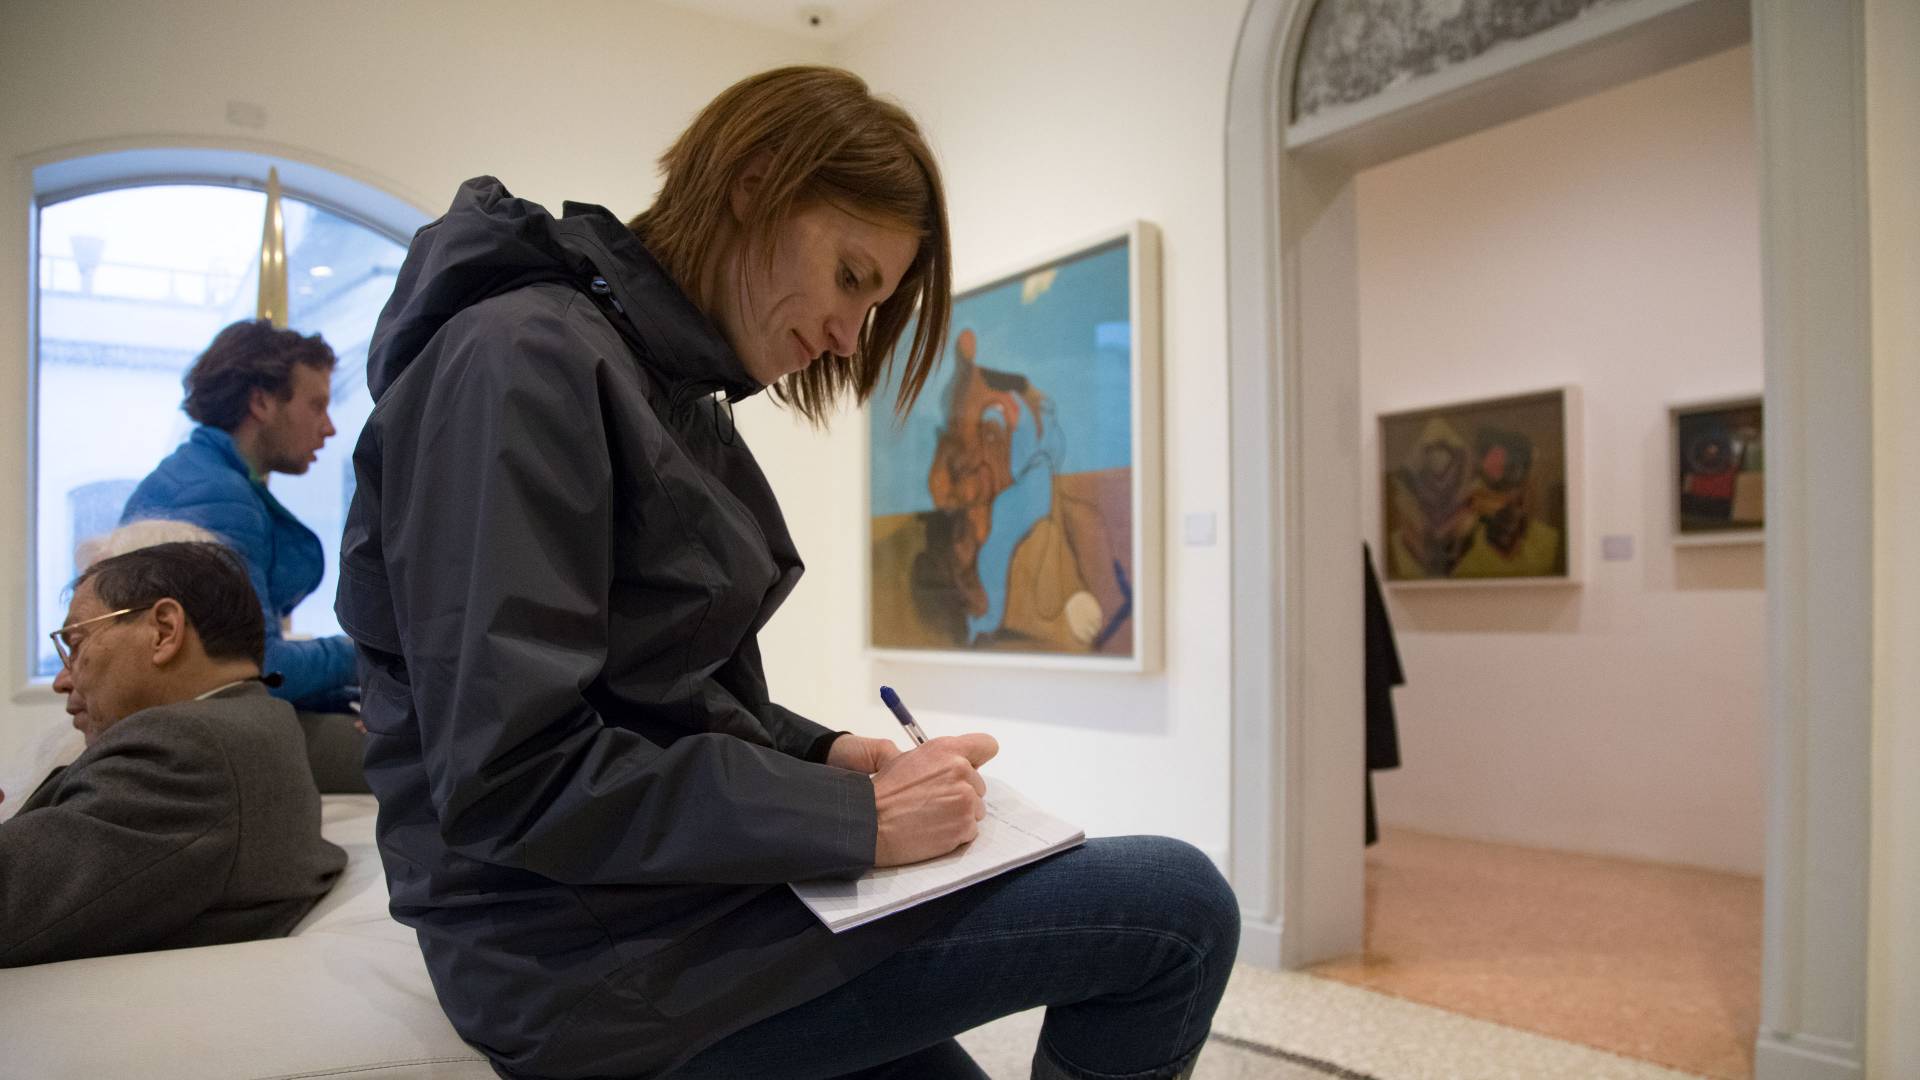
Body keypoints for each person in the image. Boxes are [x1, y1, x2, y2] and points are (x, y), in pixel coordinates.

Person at [337, 66, 1238, 1080]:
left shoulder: (647, 380)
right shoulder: (519, 362)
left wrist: (828, 756)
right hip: (581, 959)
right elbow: (513, 775)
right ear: (755, 182)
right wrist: (859, 823)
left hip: (659, 911)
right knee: (1177, 909)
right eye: (853, 277)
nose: (851, 338)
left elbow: (650, 695)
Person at [0, 541, 346, 968]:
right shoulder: (254, 719)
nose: (61, 679)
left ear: (164, 630)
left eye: (76, 642)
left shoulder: (183, 750)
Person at [120, 318, 358, 711]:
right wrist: (362, 656)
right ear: (261, 402)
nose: (329, 427)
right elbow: (254, 668)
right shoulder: (219, 499)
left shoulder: (198, 477)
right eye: (316, 405)